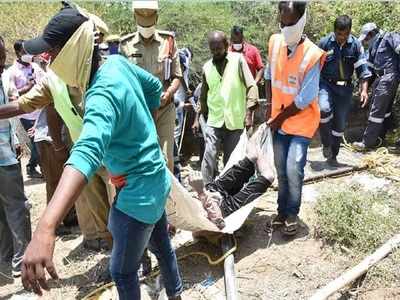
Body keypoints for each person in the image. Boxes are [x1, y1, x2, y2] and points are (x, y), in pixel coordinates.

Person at [20, 7, 182, 300]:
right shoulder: (117, 64)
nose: (49, 62)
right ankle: (176, 295)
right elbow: (155, 87)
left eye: (52, 54)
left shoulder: (100, 94)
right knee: (164, 248)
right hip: (156, 180)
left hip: (136, 194)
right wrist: (141, 128)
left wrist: (46, 226)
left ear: (72, 50)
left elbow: (86, 152)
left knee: (122, 271)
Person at [265, 1, 325, 235]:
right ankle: (281, 210)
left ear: (302, 20)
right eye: (282, 22)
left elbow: (304, 98)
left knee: (293, 167)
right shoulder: (275, 42)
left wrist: (278, 118)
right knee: (280, 168)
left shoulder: (312, 54)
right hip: (278, 119)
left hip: (301, 122)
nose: (285, 27)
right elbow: (269, 75)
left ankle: (292, 213)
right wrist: (269, 107)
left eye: (290, 23)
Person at [120, 0, 183, 173]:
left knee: (166, 159)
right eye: (142, 23)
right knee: (141, 158)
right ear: (135, 18)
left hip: (164, 109)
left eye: (149, 23)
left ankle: (168, 198)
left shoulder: (168, 42)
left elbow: (177, 75)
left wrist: (169, 92)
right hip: (138, 112)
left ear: (156, 18)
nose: (145, 27)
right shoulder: (125, 45)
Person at [193, 31, 258, 186]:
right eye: (212, 49)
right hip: (214, 119)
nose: (216, 52)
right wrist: (197, 119)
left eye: (219, 49)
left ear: (226, 46)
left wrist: (249, 113)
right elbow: (203, 96)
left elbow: (252, 86)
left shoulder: (238, 61)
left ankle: (228, 192)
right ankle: (207, 189)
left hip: (235, 120)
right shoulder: (207, 67)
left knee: (231, 159)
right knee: (209, 154)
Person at [189, 125, 275, 229]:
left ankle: (259, 134)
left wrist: (202, 191)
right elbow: (219, 222)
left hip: (213, 190)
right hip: (224, 209)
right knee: (269, 175)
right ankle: (257, 146)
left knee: (252, 156)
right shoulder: (182, 218)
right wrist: (201, 192)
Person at [318, 15, 372, 165]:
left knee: (340, 125)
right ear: (334, 31)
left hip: (345, 89)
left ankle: (333, 155)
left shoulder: (355, 45)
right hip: (325, 85)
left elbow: (363, 70)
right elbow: (313, 68)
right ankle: (326, 143)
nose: (342, 37)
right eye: (339, 34)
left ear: (349, 31)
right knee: (323, 109)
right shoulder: (324, 43)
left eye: (345, 34)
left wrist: (363, 90)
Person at [0, 35, 32, 278]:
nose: (3, 62)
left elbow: (7, 115)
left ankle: (6, 265)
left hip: (7, 150)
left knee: (5, 210)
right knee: (17, 208)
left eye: (3, 57)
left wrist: (16, 139)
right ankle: (24, 263)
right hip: (3, 159)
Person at [353, 23, 400, 151]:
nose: (366, 42)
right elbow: (368, 70)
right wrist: (363, 89)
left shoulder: (389, 37)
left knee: (377, 109)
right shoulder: (374, 48)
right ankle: (380, 138)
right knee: (384, 110)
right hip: (380, 79)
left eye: (366, 39)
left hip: (389, 77)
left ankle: (367, 142)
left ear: (372, 34)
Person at [8, 40, 44, 178]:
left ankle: (40, 166)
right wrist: (26, 88)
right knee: (35, 141)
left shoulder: (35, 67)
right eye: (24, 51)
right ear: (18, 53)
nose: (28, 54)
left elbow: (45, 81)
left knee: (41, 140)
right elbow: (11, 94)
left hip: (41, 110)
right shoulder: (12, 72)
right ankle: (32, 166)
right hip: (26, 114)